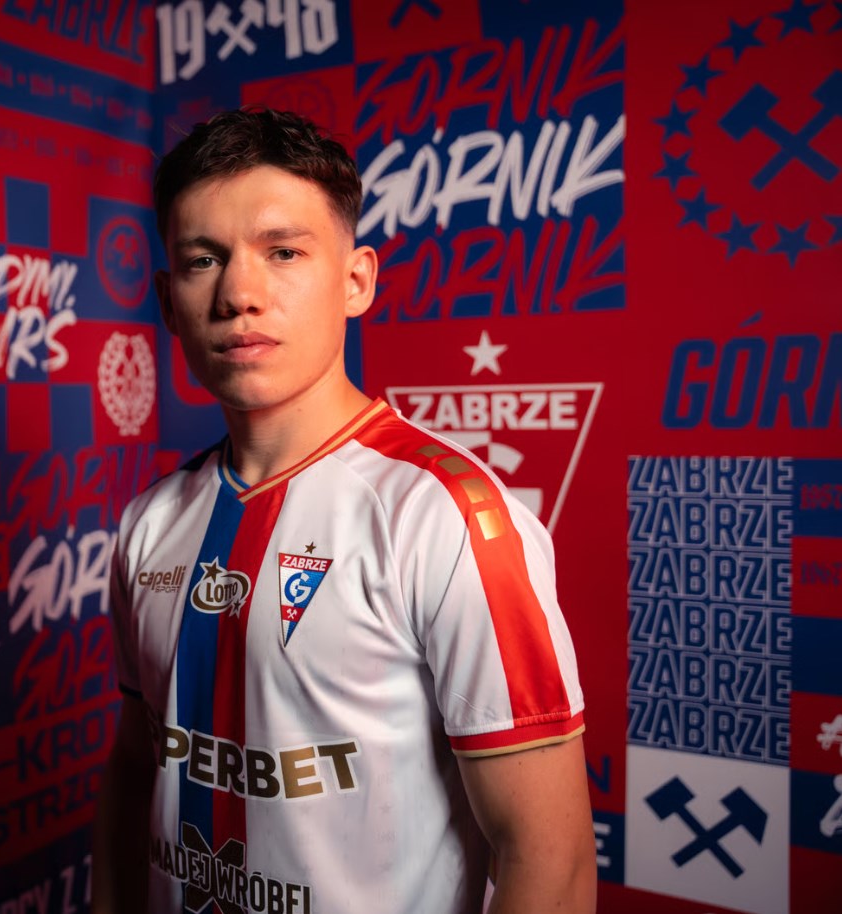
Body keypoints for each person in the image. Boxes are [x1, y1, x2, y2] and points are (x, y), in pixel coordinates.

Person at [92, 107, 595, 914]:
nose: (238, 294)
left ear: (356, 280)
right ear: (166, 299)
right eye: (202, 259)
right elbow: (134, 769)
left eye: (282, 252)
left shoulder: (443, 517)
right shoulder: (149, 522)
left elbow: (550, 859)